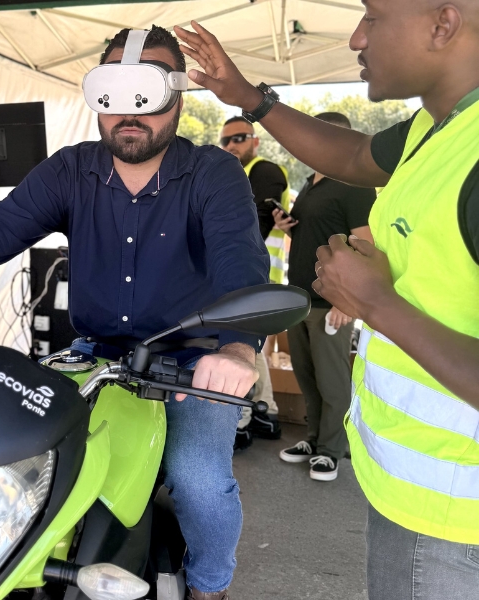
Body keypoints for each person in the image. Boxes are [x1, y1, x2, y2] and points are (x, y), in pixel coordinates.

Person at [0, 26, 269, 600]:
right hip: (94, 354)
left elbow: (238, 260)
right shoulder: (70, 169)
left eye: (147, 93)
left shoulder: (212, 173)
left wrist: (237, 348)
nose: (129, 113)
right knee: (15, 458)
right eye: (112, 94)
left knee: (200, 480)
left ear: (178, 97)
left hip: (192, 363)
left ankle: (208, 587)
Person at [175, 1, 479, 596]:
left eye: (374, 16)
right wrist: (249, 97)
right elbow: (353, 155)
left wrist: (376, 302)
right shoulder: (433, 129)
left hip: (456, 524)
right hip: (412, 491)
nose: (356, 38)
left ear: (443, 24)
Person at [272, 112, 376, 481]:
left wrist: (347, 300)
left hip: (329, 303)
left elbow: (366, 244)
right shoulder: (312, 182)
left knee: (332, 382)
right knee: (307, 377)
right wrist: (287, 226)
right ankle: (314, 440)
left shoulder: (354, 184)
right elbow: (317, 233)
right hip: (299, 298)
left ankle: (331, 450)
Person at [219, 116, 288, 448]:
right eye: (226, 141)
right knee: (251, 343)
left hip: (256, 273)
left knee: (241, 341)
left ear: (255, 140)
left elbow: (253, 223)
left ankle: (244, 415)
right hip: (251, 273)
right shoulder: (241, 172)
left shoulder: (265, 171)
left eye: (239, 138)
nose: (231, 145)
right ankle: (265, 408)